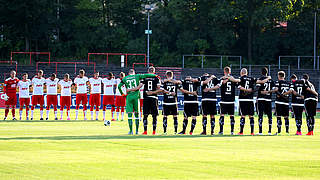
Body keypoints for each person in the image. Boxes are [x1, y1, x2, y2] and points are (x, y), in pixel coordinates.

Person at [117, 69, 157, 135]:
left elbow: (119, 86)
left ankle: (130, 131)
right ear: (134, 72)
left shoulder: (125, 78)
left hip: (129, 97)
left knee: (129, 114)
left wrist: (122, 94)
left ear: (129, 73)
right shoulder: (137, 76)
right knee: (137, 114)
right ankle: (137, 131)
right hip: (136, 97)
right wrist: (155, 75)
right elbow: (146, 75)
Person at [138, 67, 161, 135]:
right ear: (154, 71)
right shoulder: (157, 78)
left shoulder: (145, 77)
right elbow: (159, 87)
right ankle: (154, 131)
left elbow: (140, 86)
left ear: (148, 71)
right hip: (154, 97)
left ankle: (145, 131)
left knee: (145, 115)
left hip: (146, 97)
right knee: (154, 115)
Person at [218, 67, 237, 135]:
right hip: (231, 100)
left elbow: (220, 84)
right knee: (232, 116)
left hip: (224, 100)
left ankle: (221, 131)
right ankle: (232, 131)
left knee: (222, 115)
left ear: (224, 71)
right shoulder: (233, 79)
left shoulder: (222, 78)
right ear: (230, 72)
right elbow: (237, 83)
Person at [256, 67, 274, 135]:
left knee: (260, 115)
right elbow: (275, 89)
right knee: (270, 115)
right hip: (268, 99)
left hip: (261, 99)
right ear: (267, 72)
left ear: (261, 72)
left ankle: (260, 131)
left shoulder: (260, 79)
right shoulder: (271, 80)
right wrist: (268, 91)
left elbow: (257, 88)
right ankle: (269, 131)